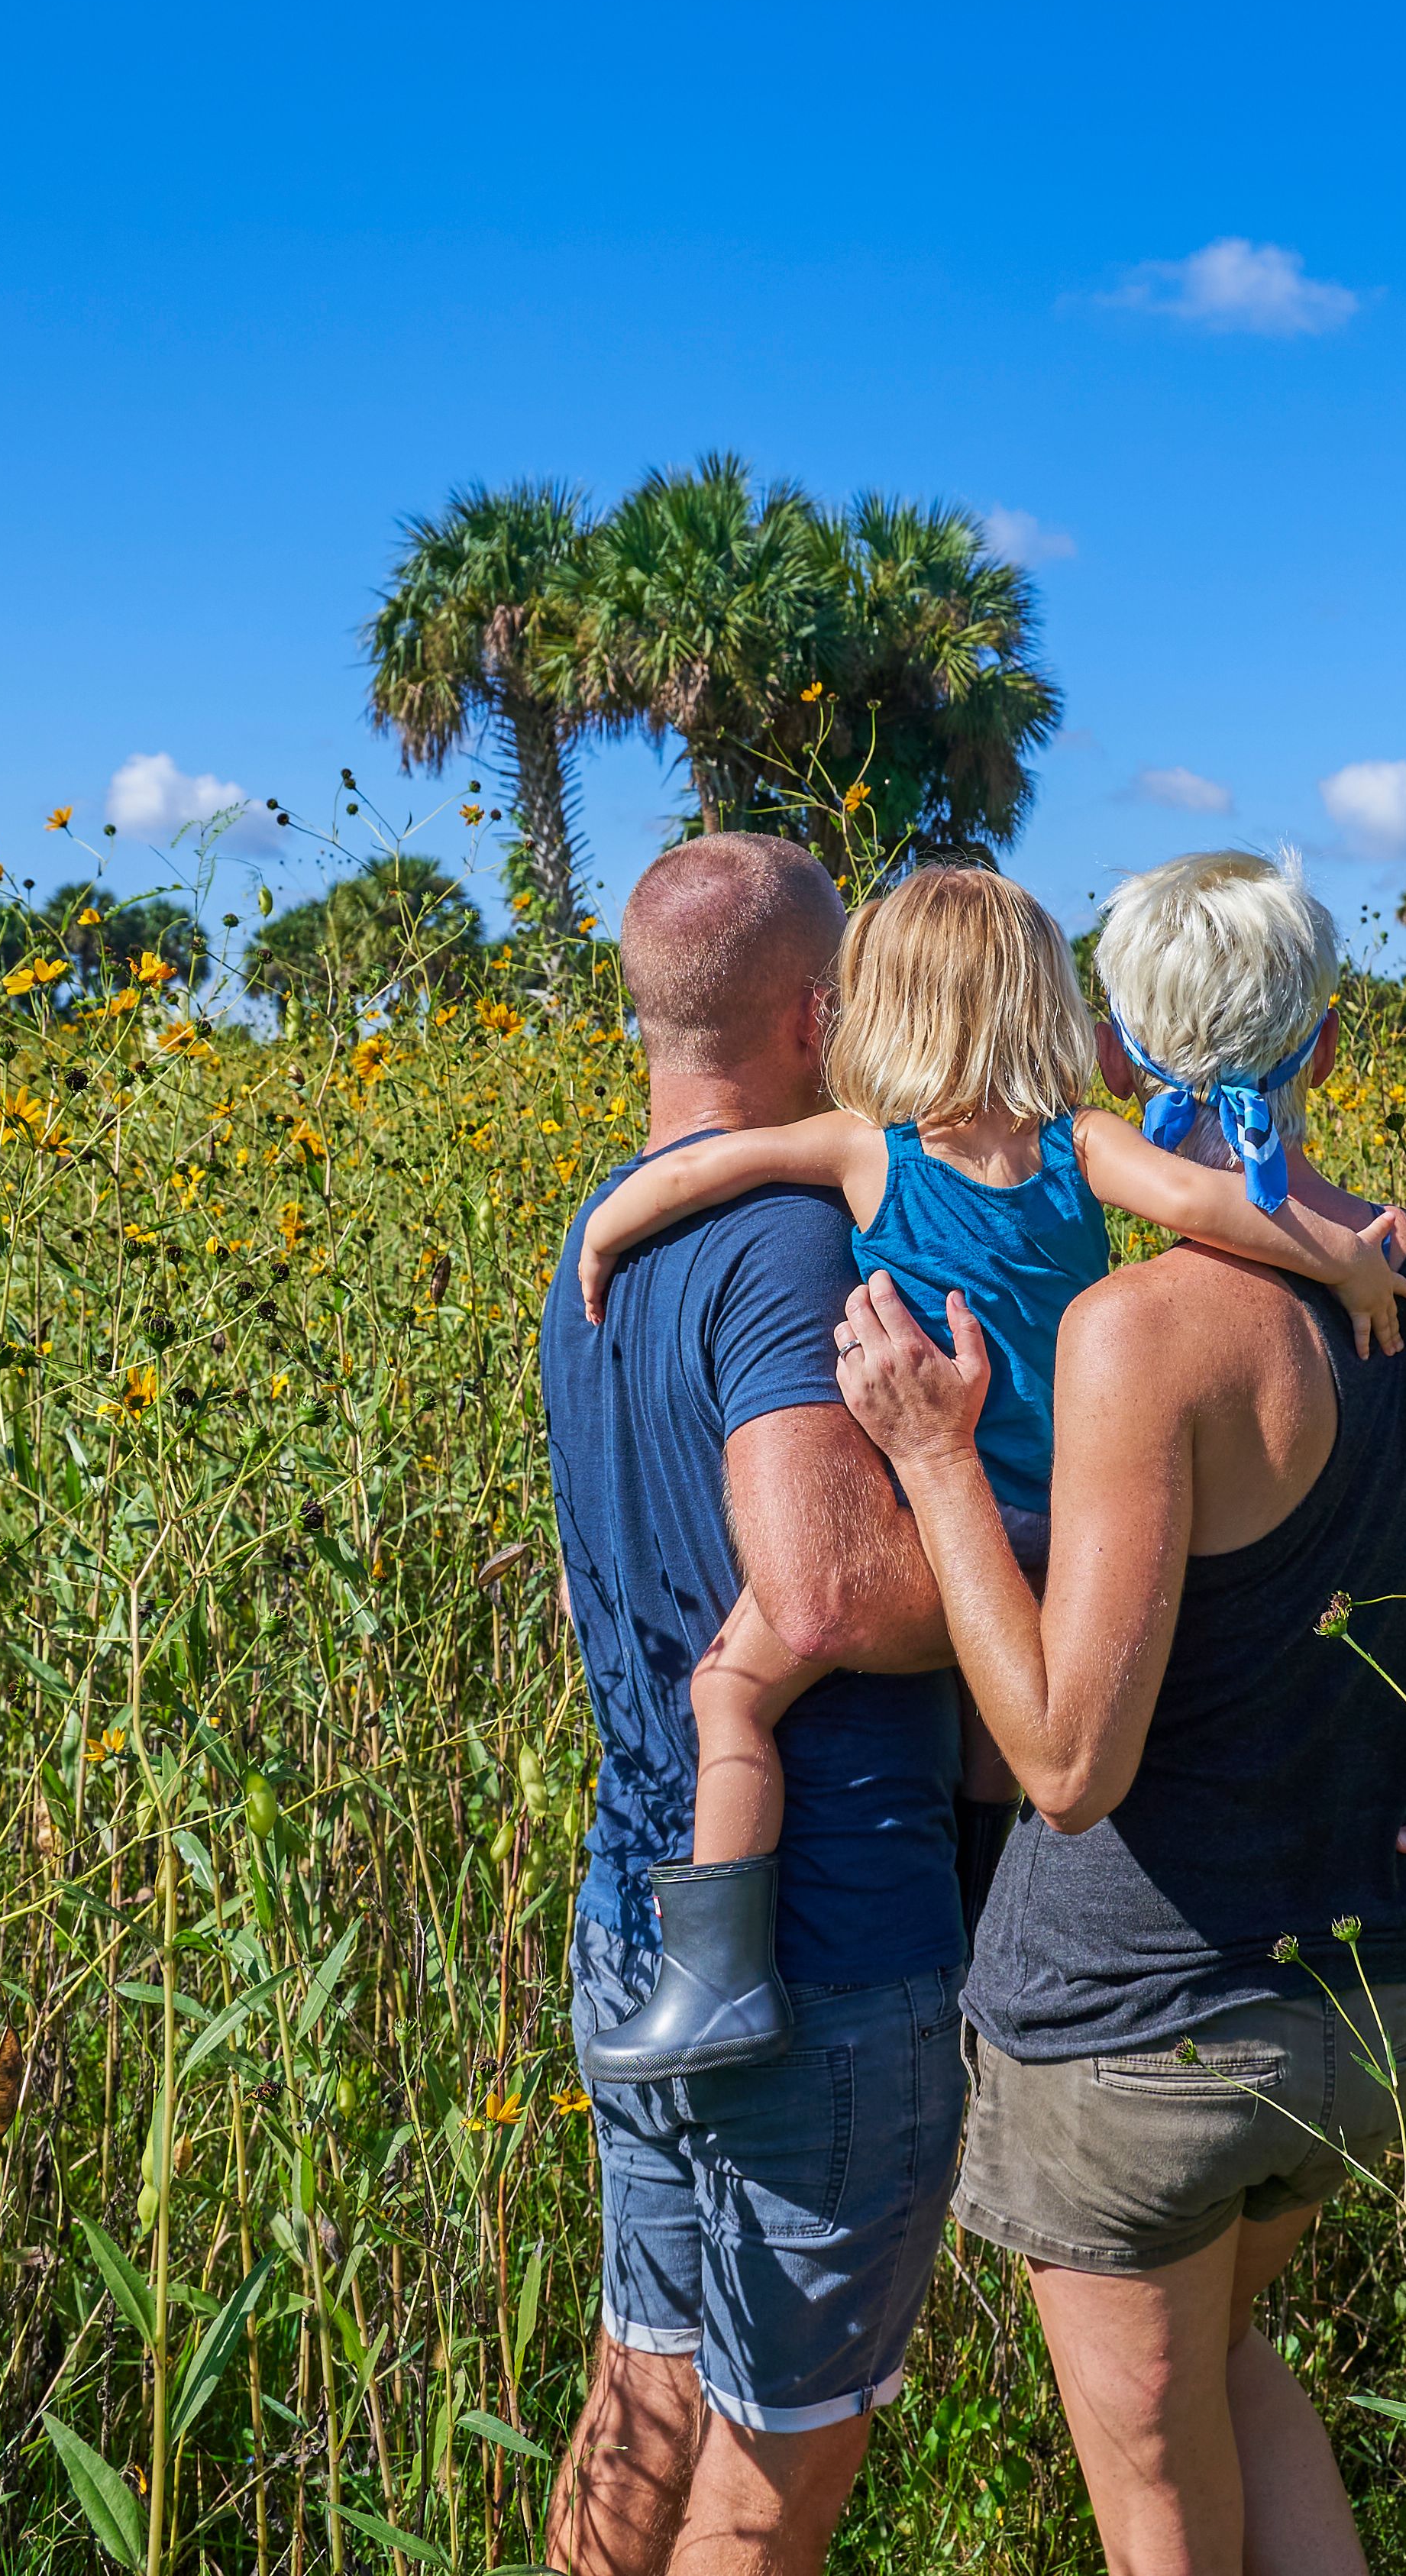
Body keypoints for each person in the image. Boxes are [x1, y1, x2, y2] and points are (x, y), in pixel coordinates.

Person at [832, 848, 1406, 2574]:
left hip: (1131, 2030)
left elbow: (1069, 1764)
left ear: (1123, 1060)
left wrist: (931, 1463)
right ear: (1333, 1045)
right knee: (1219, 2366)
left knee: (1157, 2507)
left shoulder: (1140, 1331)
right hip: (1359, 2006)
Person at [569, 862, 1406, 2083]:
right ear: (1048, 1010)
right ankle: (977, 1945)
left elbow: (715, 1165)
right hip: (1063, 1527)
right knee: (994, 1742)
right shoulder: (1084, 1145)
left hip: (948, 1511)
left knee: (732, 1694)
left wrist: (605, 1229)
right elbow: (1211, 1203)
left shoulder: (870, 1150)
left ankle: (718, 1979)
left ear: (876, 1008)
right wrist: (1343, 1260)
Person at [533, 832, 964, 2576]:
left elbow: (590, 1577)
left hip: (641, 1895)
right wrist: (1044, 1565)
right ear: (814, 1012)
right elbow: (825, 1591)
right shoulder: (787, 1241)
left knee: (643, 2374)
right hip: (815, 1938)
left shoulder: (602, 1245)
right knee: (775, 2458)